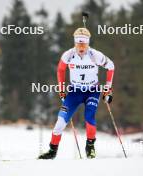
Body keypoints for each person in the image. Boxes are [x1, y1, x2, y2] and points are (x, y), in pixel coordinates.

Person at [38, 27, 114, 159]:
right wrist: (61, 89)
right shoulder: (68, 55)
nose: (81, 46)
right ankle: (52, 151)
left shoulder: (94, 55)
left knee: (89, 117)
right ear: (75, 42)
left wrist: (108, 88)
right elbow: (60, 70)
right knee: (60, 122)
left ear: (88, 43)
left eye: (84, 43)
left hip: (92, 91)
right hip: (74, 92)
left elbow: (111, 66)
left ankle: (90, 147)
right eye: (79, 43)